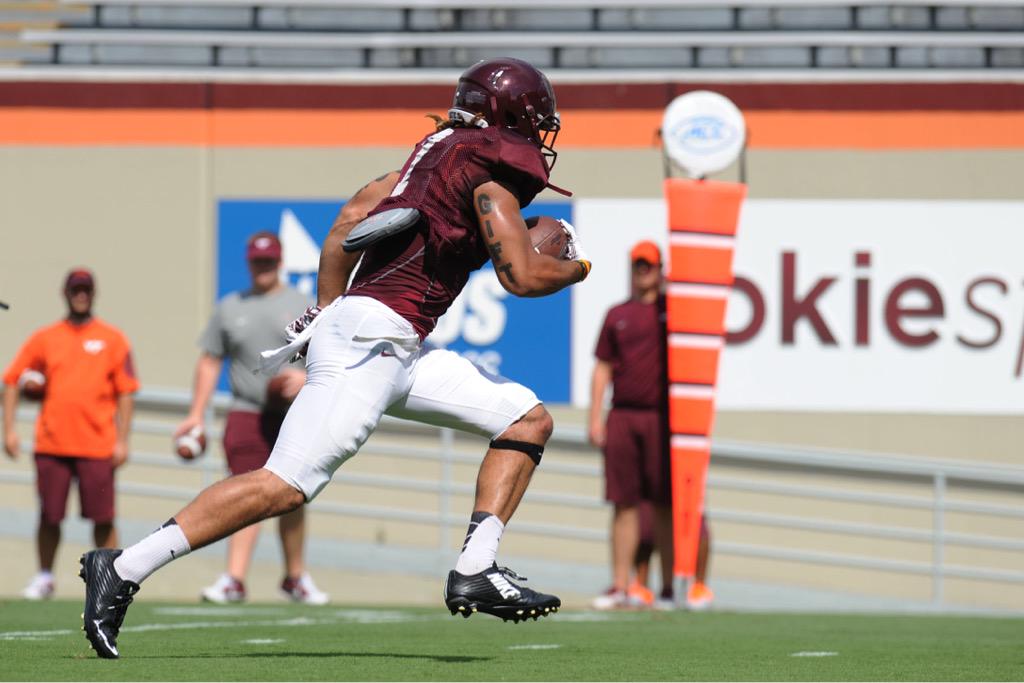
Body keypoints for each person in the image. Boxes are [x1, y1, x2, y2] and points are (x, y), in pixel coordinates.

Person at [79, 57, 592, 659]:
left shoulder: (426, 158)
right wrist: (577, 265)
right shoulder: (488, 174)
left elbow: (346, 222)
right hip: (375, 337)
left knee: (525, 418)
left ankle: (476, 568)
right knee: (286, 484)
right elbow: (524, 278)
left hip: (391, 341)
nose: (537, 137)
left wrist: (327, 309)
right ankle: (125, 565)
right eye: (534, 123)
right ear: (512, 118)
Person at [173, 231, 328, 605]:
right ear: (248, 263)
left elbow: (327, 353)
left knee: (293, 493)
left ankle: (295, 577)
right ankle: (234, 578)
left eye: (269, 261)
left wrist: (306, 375)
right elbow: (210, 360)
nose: (263, 267)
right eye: (257, 261)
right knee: (244, 491)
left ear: (280, 262)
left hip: (293, 413)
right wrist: (195, 415)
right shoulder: (230, 308)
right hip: (247, 410)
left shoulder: (303, 303)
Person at [589, 241, 714, 610]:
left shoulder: (675, 313)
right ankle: (620, 585)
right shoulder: (617, 314)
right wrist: (595, 417)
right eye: (638, 265)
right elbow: (603, 368)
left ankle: (669, 588)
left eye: (650, 266)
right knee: (623, 504)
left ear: (661, 269)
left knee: (664, 504)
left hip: (664, 420)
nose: (644, 271)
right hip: (624, 415)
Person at [2, 269, 138, 599]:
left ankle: (111, 579)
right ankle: (45, 576)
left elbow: (126, 392)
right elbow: (12, 380)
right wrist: (9, 431)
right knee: (50, 515)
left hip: (97, 444)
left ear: (94, 294)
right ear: (66, 293)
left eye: (86, 290)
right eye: (76, 290)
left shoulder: (112, 338)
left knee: (103, 518)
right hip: (52, 442)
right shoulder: (45, 338)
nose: (81, 295)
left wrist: (123, 440)